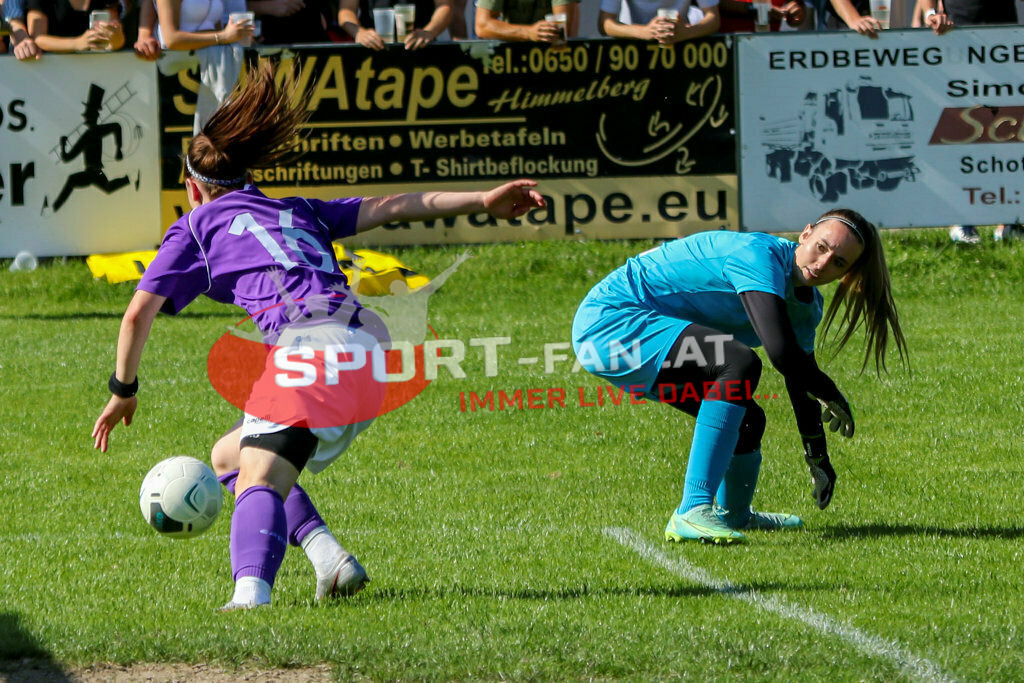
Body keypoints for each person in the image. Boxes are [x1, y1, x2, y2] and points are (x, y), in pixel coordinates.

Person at [91, 59, 545, 609]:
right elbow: (393, 205)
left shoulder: (195, 226)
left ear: (193, 187)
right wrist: (481, 200)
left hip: (310, 346)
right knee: (230, 456)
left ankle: (249, 600)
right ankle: (331, 561)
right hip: (372, 350)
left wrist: (123, 390)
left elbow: (137, 314)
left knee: (258, 472)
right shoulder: (296, 209)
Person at [572, 210, 907, 544]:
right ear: (804, 234)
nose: (822, 264)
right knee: (738, 362)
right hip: (609, 324)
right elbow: (780, 353)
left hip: (628, 333)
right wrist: (830, 390)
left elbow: (799, 381)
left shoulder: (806, 305)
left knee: (746, 418)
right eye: (821, 247)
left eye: (839, 263)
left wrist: (817, 457)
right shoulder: (758, 256)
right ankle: (692, 510)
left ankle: (734, 514)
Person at [150, 0, 255, 132]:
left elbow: (214, 30)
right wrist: (223, 36)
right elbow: (171, 39)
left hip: (209, 69)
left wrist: (237, 36)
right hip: (175, 75)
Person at [338, 0, 451, 50]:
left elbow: (445, 6)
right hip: (374, 50)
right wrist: (359, 33)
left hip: (420, 49)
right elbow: (346, 10)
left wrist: (429, 32)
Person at [24, 0, 125, 53]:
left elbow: (115, 43)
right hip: (51, 71)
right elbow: (37, 38)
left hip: (95, 71)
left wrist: (115, 37)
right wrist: (77, 43)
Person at [598, 0, 720, 43]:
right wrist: (644, 32)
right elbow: (605, 23)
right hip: (632, 51)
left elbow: (713, 18)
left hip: (679, 49)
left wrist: (685, 33)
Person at [474, 0, 579, 42]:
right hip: (508, 58)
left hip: (549, 58)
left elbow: (561, 31)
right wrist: (528, 33)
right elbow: (482, 26)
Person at [717, 0, 805, 32]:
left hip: (770, 48)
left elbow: (798, 10)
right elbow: (712, 4)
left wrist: (795, 12)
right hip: (728, 44)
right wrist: (757, 10)